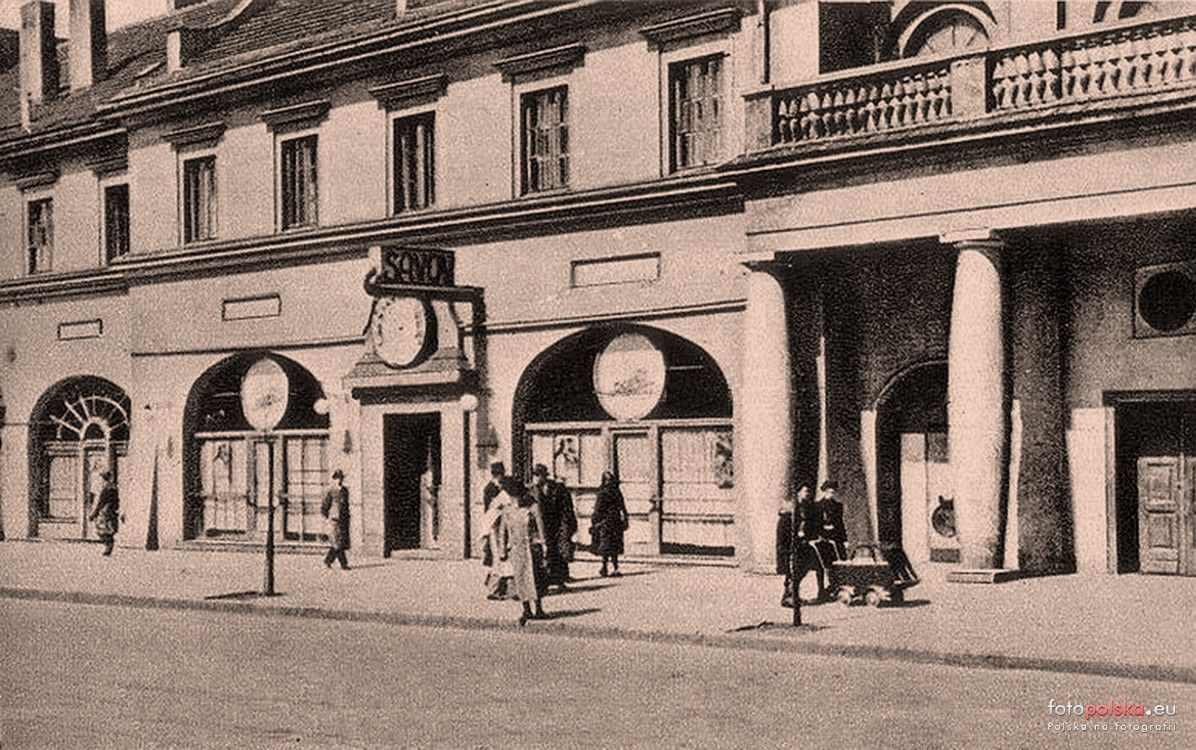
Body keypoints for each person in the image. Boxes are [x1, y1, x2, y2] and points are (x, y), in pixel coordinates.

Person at [501, 476, 548, 626]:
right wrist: (503, 550)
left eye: (515, 496)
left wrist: (544, 545)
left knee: (536, 577)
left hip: (532, 547)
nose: (514, 499)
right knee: (520, 579)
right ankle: (526, 609)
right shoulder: (508, 510)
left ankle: (539, 608)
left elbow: (541, 527)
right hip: (517, 549)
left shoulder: (533, 507)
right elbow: (504, 530)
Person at [783, 484, 826, 605]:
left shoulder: (808, 507)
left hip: (807, 544)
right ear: (798, 493)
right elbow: (788, 528)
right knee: (797, 572)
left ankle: (821, 592)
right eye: (805, 491)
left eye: (809, 492)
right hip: (796, 545)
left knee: (819, 566)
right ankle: (789, 596)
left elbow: (812, 524)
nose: (807, 494)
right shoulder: (792, 508)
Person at [529, 464, 570, 592]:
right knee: (542, 557)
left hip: (555, 526)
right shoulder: (532, 490)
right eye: (535, 475)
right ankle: (545, 582)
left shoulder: (556, 488)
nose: (536, 478)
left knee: (557, 554)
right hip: (539, 527)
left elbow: (564, 508)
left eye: (538, 475)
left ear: (543, 475)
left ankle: (560, 581)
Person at [591, 471, 628, 577]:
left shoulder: (604, 492)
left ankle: (607, 567)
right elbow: (622, 506)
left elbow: (598, 509)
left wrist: (595, 521)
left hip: (608, 522)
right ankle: (610, 567)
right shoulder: (614, 491)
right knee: (611, 545)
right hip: (612, 521)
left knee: (608, 545)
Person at [480, 485, 511, 600]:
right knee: (499, 561)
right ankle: (494, 589)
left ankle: (497, 587)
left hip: (495, 532)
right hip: (496, 532)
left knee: (499, 562)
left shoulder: (499, 499)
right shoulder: (504, 499)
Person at [321, 469, 351, 570]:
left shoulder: (344, 490)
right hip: (334, 518)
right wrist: (326, 517)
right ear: (334, 479)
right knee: (337, 542)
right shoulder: (331, 491)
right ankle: (344, 564)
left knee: (339, 542)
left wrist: (347, 517)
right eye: (337, 478)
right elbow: (325, 505)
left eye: (341, 478)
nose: (339, 480)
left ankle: (328, 560)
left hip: (343, 518)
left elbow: (346, 505)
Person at [89, 470, 120, 556]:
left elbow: (100, 502)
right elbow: (117, 501)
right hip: (111, 511)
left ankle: (108, 546)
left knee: (102, 530)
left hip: (104, 512)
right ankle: (109, 545)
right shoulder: (113, 488)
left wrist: (94, 513)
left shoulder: (105, 489)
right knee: (108, 529)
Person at [420, 461, 440, 548]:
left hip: (430, 501)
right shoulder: (426, 476)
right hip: (427, 501)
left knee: (433, 520)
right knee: (428, 520)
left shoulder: (426, 476)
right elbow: (429, 487)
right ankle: (428, 540)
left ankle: (432, 539)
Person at [775, 495, 794, 575]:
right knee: (783, 548)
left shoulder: (785, 516)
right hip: (785, 525)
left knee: (784, 548)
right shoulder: (784, 517)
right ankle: (783, 568)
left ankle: (784, 568)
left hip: (787, 523)